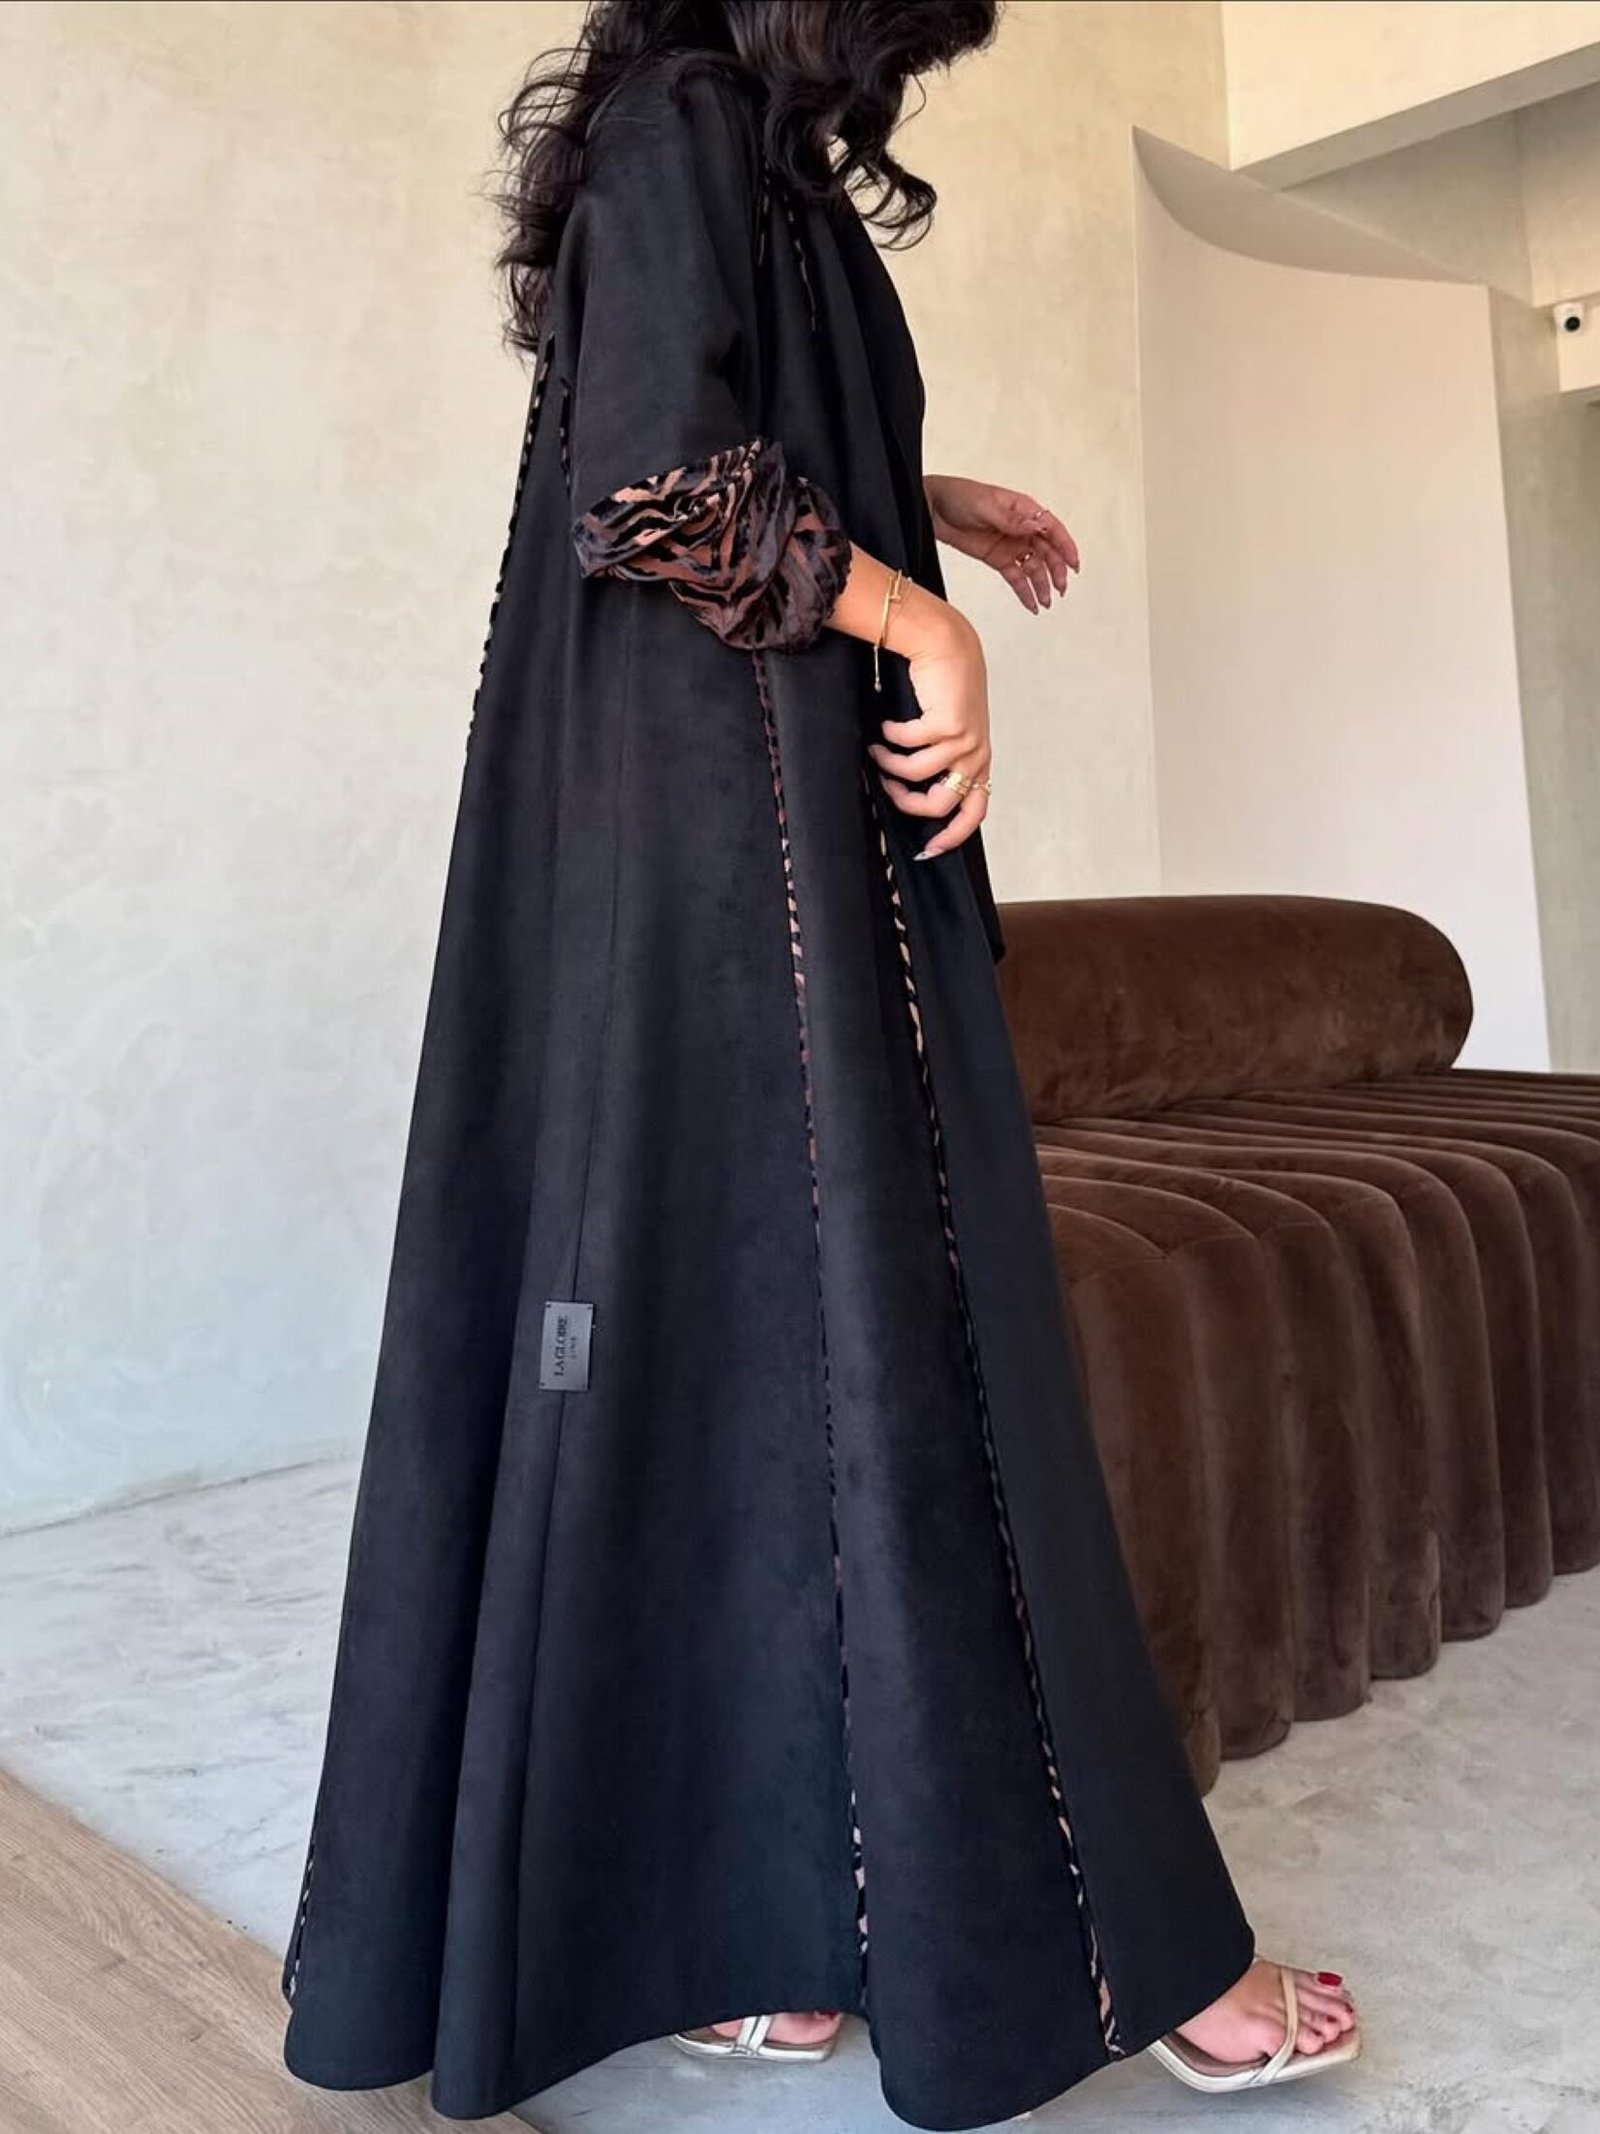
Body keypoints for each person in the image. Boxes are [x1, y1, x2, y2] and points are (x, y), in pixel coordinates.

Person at [279, 3, 1361, 2125]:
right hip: (740, 894)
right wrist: (920, 618)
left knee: (764, 1378)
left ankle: (766, 1940)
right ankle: (1123, 1947)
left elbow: (699, 434)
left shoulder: (718, 144)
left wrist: (915, 501)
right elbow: (648, 490)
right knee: (911, 1363)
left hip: (728, 887)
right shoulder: (689, 125)